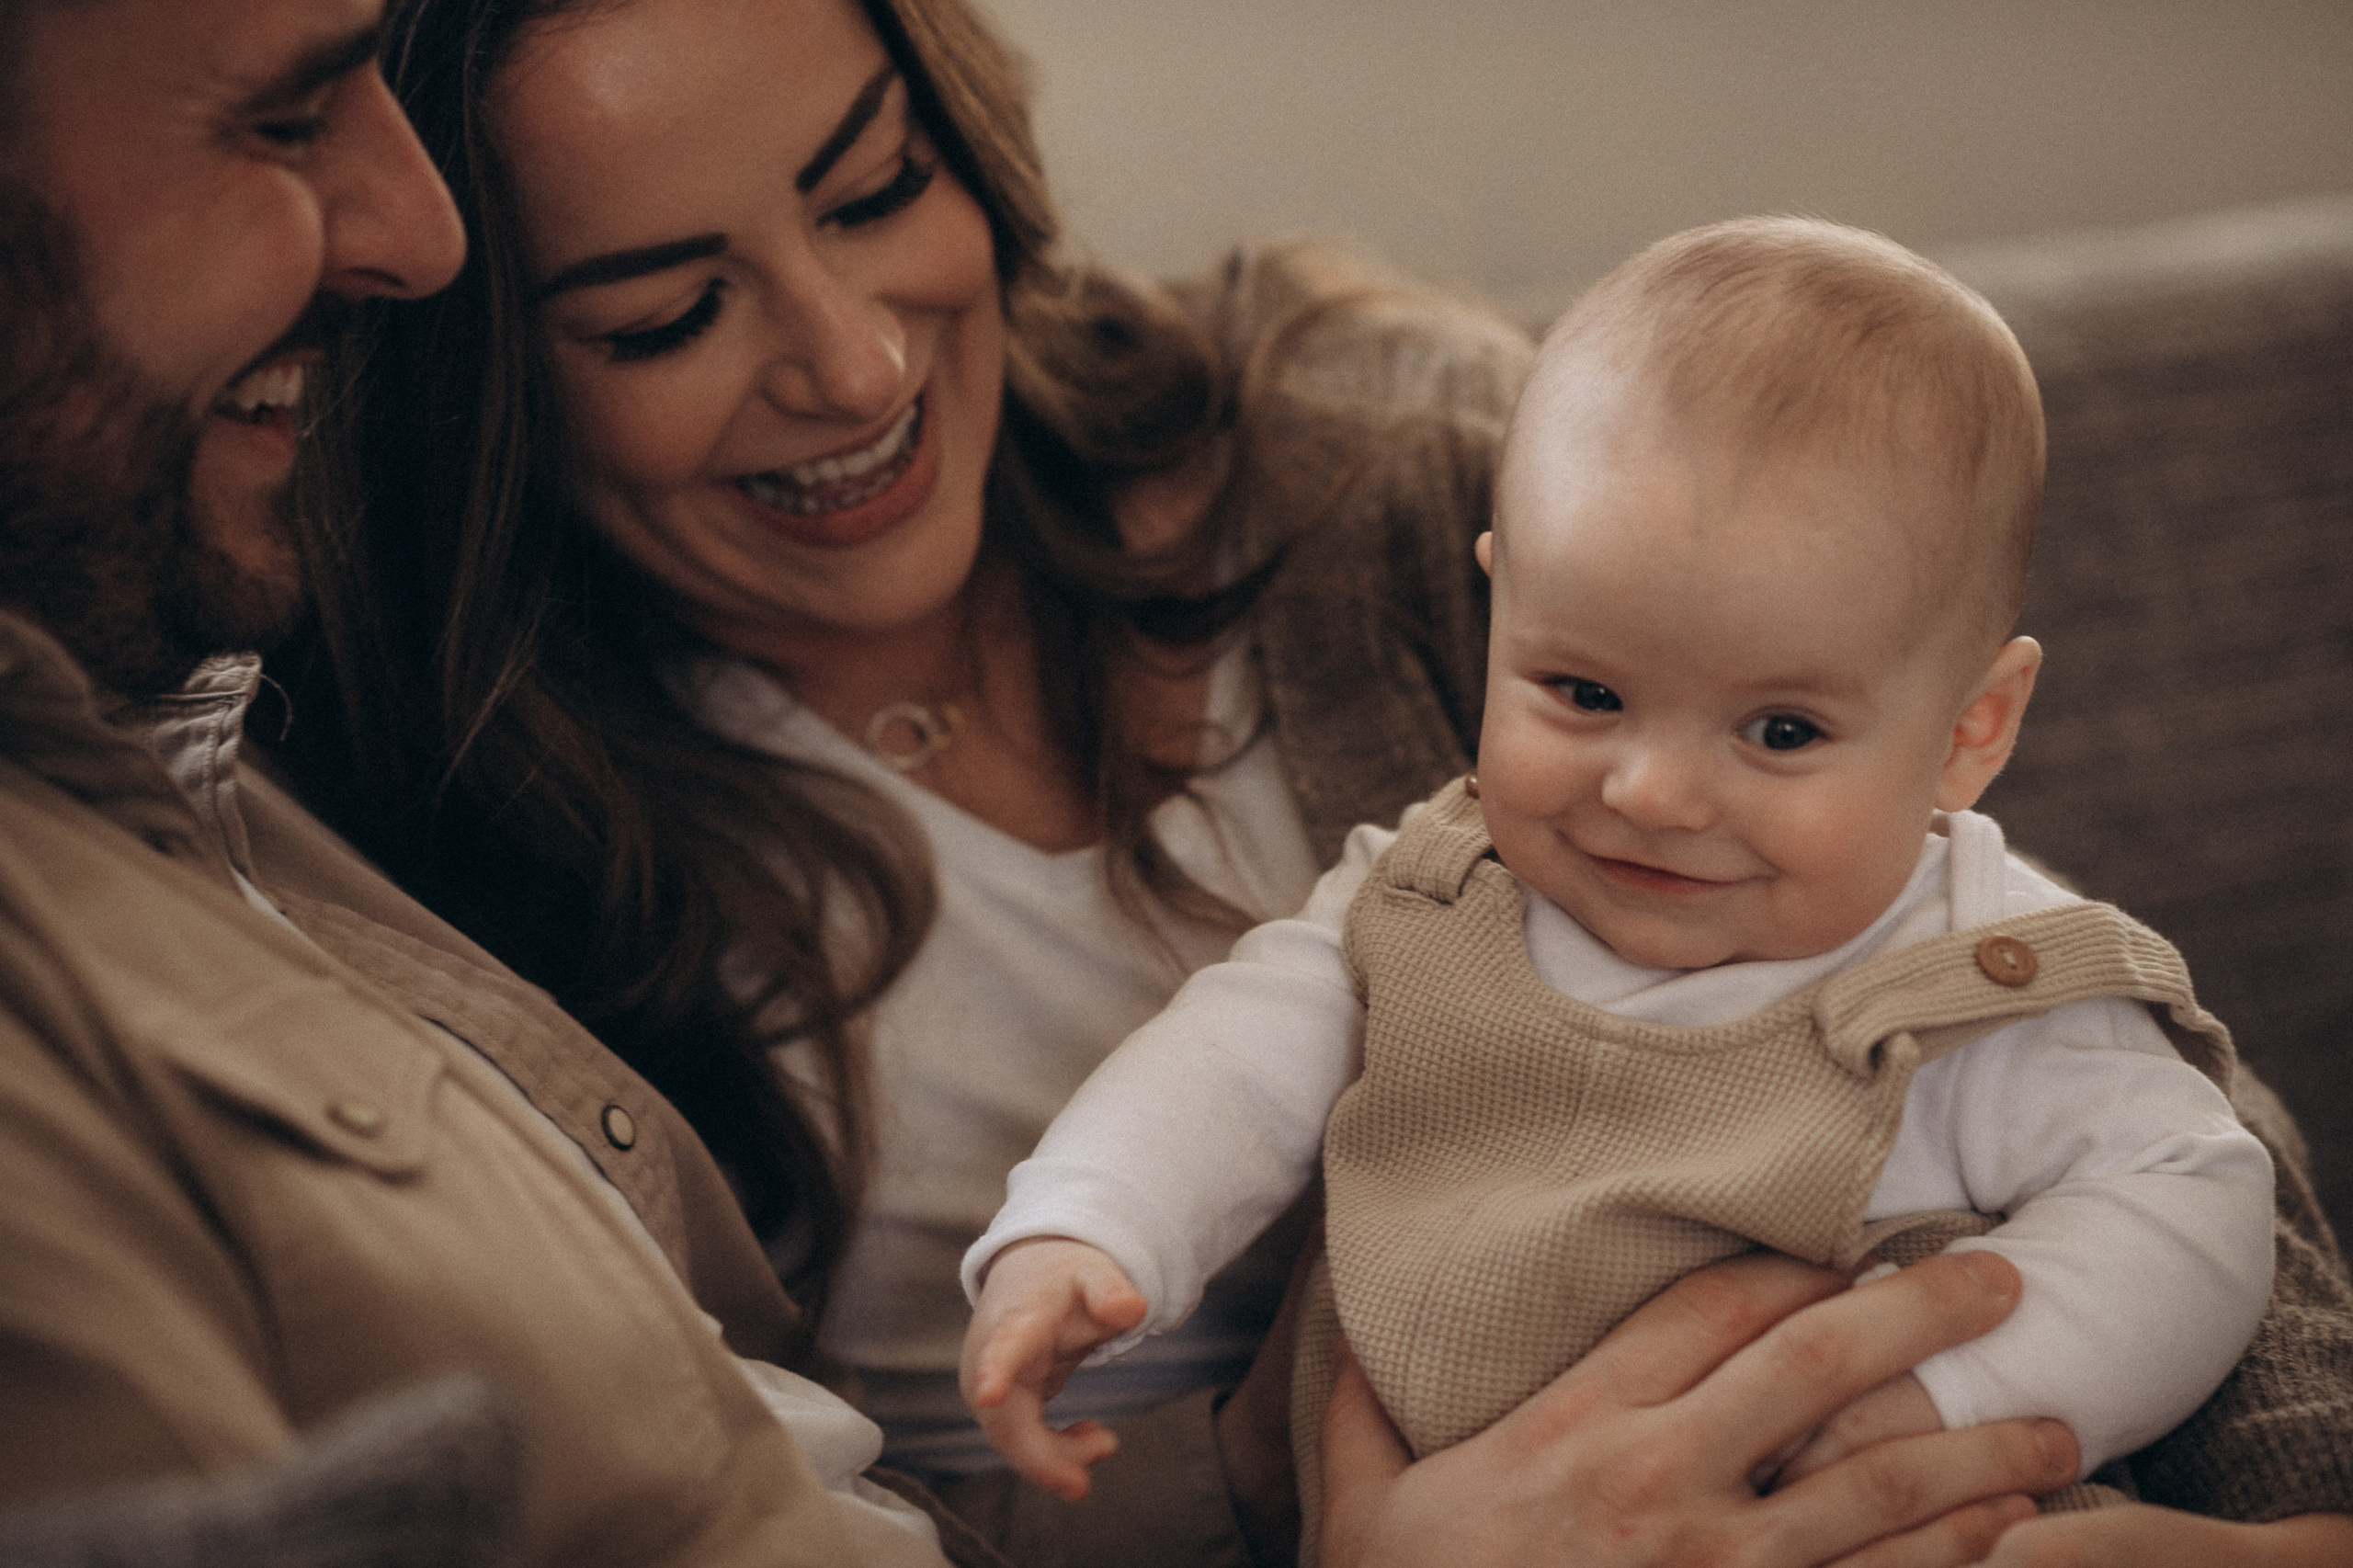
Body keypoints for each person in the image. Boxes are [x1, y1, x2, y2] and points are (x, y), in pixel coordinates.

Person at [0, 0, 2105, 1564]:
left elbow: (2045, 1005)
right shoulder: (430, 863)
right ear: (472, 384)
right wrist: (1323, 1472)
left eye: (873, 190)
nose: (847, 363)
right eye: (662, 315)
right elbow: (807, 1488)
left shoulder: (1391, 475)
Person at [957, 221, 2276, 1536]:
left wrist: (1947, 1386)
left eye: (1780, 731)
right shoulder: (1429, 896)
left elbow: (2198, 1198)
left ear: (1971, 730)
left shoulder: (1974, 984)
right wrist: (1086, 1229)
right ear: (1498, 613)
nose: (1648, 792)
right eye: (1584, 691)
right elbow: (1223, 1066)